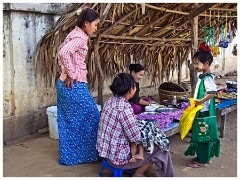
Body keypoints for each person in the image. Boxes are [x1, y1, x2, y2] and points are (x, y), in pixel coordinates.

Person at [97, 73, 174, 177]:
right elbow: (135, 136)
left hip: (105, 153)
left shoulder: (109, 101)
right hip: (117, 158)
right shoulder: (124, 108)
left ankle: (139, 168)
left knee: (143, 143)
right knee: (162, 147)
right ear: (131, 90)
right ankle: (138, 173)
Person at [56, 7, 100, 166]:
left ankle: (72, 157)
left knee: (71, 121)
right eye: (94, 24)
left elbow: (61, 50)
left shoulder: (74, 33)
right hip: (74, 85)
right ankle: (88, 154)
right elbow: (64, 53)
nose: (96, 28)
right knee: (93, 115)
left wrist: (67, 71)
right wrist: (73, 74)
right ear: (86, 23)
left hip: (65, 85)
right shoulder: (80, 37)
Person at [185, 50, 220, 168]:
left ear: (206, 63)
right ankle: (205, 157)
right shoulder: (203, 77)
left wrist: (200, 101)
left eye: (197, 63)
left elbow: (212, 93)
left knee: (203, 135)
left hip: (204, 111)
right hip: (201, 110)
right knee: (203, 135)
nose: (195, 66)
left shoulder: (208, 78)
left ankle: (202, 161)